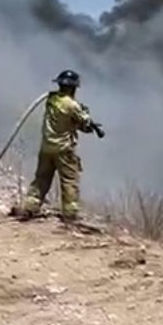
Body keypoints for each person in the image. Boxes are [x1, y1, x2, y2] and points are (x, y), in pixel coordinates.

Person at [19, 70, 104, 224]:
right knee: (69, 181)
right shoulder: (72, 105)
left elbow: (64, 119)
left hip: (46, 147)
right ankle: (70, 216)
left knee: (41, 180)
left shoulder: (51, 99)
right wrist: (90, 122)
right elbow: (85, 124)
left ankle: (29, 208)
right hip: (64, 150)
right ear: (73, 88)